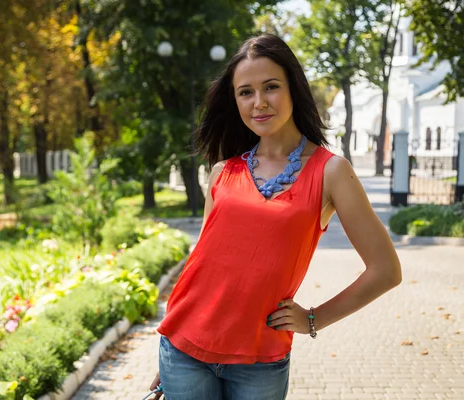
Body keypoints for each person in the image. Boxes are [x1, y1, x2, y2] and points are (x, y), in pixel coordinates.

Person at [147, 34, 402, 400]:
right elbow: (203, 264)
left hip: (260, 359)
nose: (259, 102)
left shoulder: (331, 172)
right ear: (234, 101)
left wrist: (314, 319)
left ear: (293, 89)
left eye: (271, 87)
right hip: (185, 351)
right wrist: (172, 349)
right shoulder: (223, 172)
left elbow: (386, 270)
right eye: (245, 92)